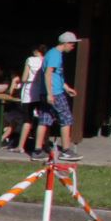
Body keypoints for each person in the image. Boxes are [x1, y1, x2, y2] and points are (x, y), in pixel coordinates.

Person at [29, 32, 82, 162]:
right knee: (66, 119)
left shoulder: (52, 54)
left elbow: (56, 75)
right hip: (54, 93)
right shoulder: (55, 55)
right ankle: (66, 150)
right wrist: (50, 94)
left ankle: (37, 151)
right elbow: (48, 74)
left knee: (44, 120)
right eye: (72, 44)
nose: (73, 47)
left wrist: (67, 88)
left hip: (50, 92)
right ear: (65, 43)